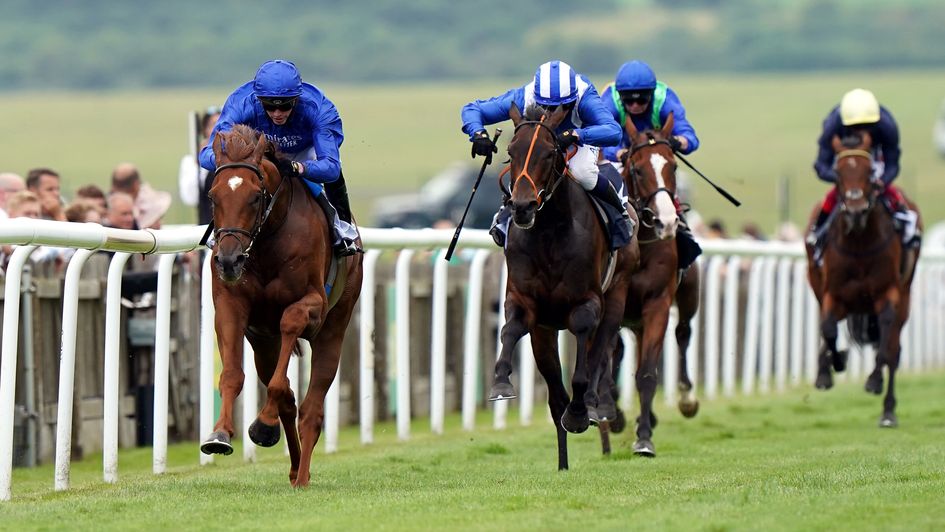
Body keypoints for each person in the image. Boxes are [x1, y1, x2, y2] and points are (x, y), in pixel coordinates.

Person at [460, 60, 631, 247]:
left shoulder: (585, 96)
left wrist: (577, 134)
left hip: (578, 139)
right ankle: (505, 215)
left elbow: (613, 132)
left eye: (561, 107)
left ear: (572, 99)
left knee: (583, 173)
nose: (551, 113)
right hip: (541, 142)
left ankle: (618, 215)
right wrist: (478, 134)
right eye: (545, 107)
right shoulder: (524, 96)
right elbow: (473, 109)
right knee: (525, 165)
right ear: (537, 97)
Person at [198, 59, 360, 257]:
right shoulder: (240, 104)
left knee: (334, 175)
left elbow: (331, 167)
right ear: (258, 99)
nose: (277, 113)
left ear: (297, 99)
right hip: (259, 153)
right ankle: (224, 232)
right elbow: (206, 155)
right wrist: (238, 161)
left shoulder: (319, 109)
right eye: (269, 105)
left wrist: (298, 168)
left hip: (305, 150)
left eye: (285, 106)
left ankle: (343, 231)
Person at [599, 60, 702, 270]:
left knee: (663, 180)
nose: (635, 106)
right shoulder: (610, 100)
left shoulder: (665, 100)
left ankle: (683, 237)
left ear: (652, 94)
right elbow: (600, 139)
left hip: (655, 157)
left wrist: (678, 141)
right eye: (629, 101)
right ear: (620, 96)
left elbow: (690, 138)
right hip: (622, 157)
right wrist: (619, 153)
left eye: (642, 100)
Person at [808, 88, 920, 258]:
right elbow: (821, 164)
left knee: (889, 192)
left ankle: (908, 226)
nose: (861, 130)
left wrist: (882, 181)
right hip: (844, 159)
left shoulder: (887, 125)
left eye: (867, 126)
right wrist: (840, 178)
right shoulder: (833, 125)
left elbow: (892, 163)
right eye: (855, 126)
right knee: (838, 193)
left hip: (873, 156)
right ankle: (818, 231)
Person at [179, 106, 222, 225]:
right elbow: (190, 198)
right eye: (213, 124)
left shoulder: (235, 159)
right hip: (206, 226)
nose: (218, 129)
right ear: (205, 130)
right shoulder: (190, 161)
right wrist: (200, 164)